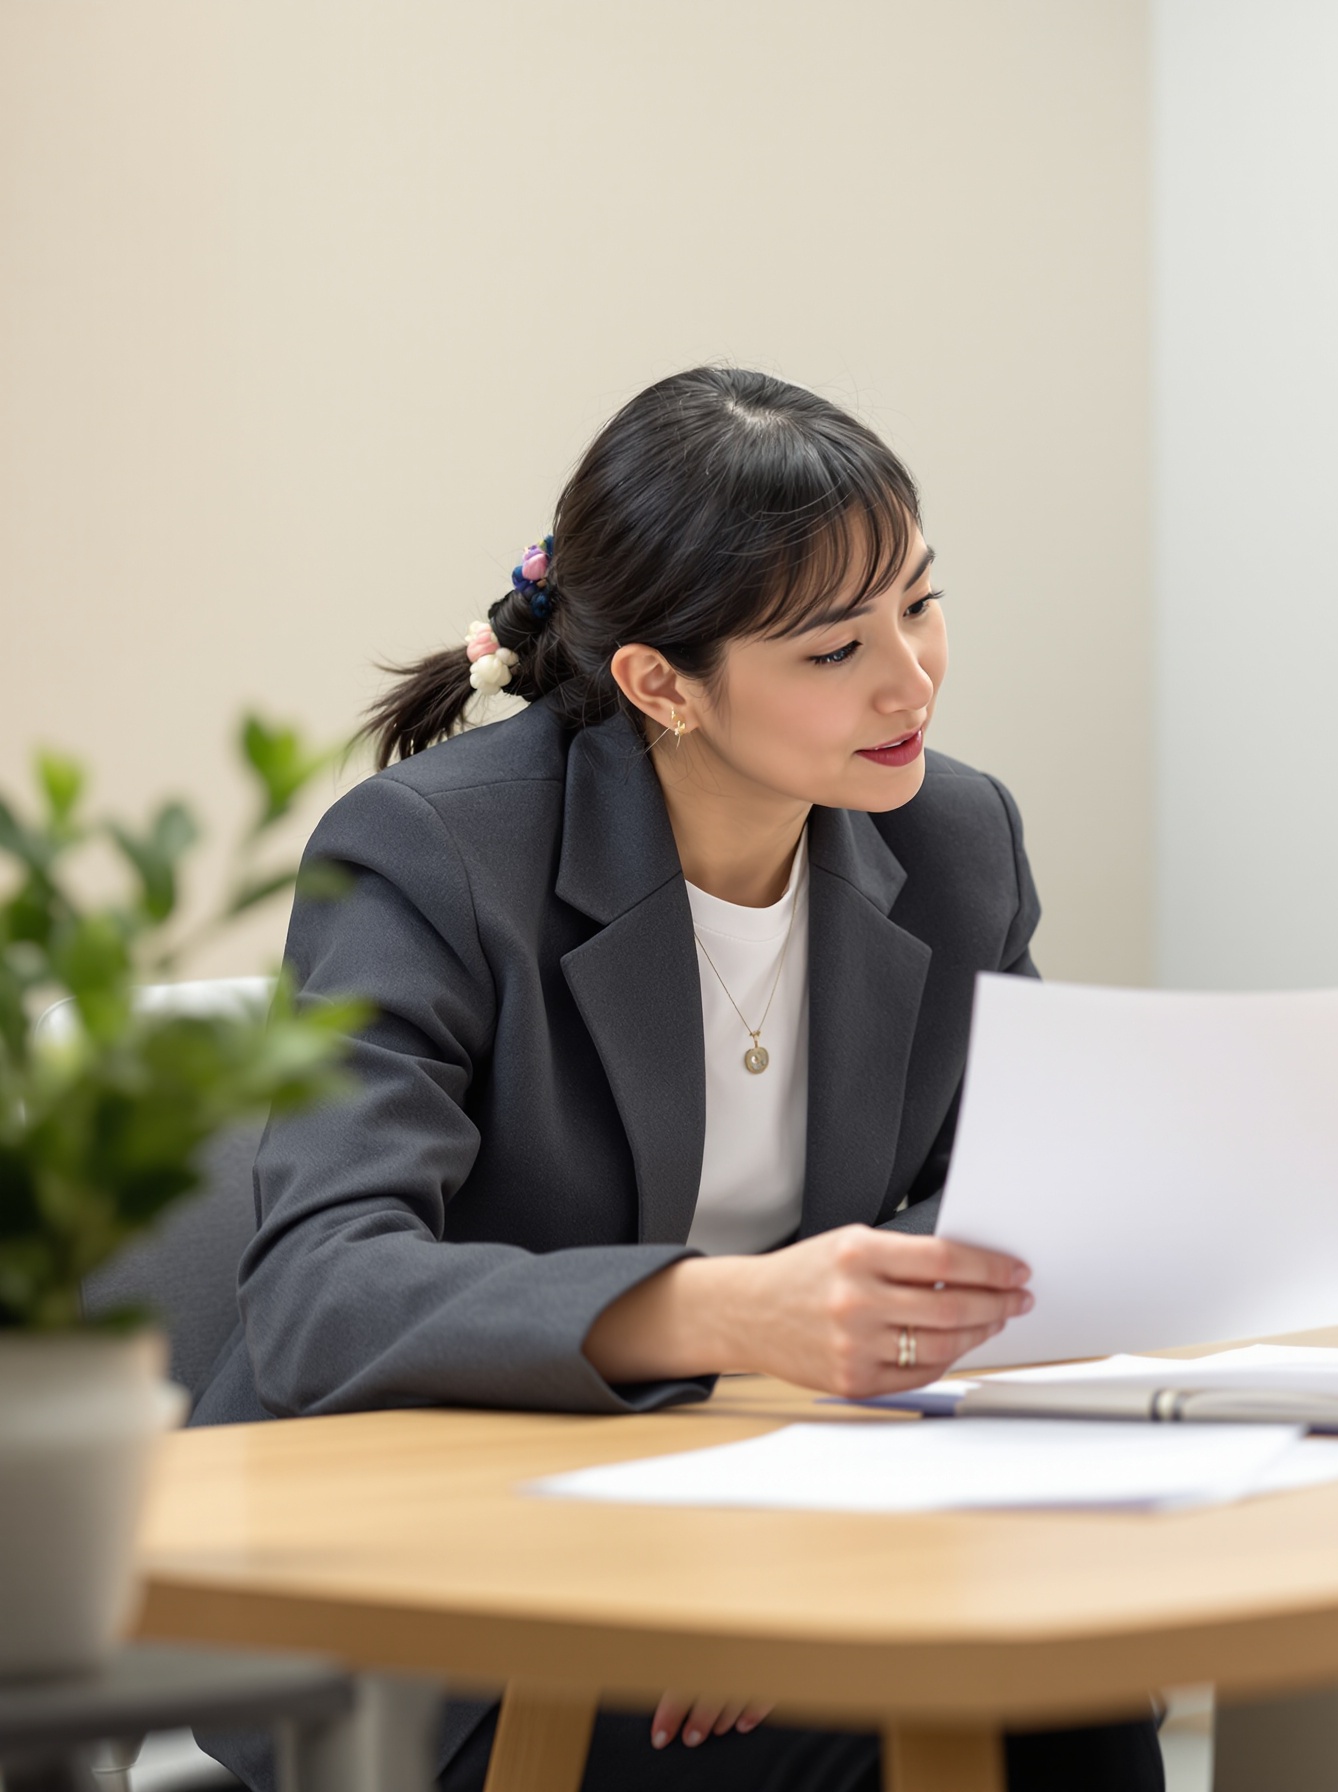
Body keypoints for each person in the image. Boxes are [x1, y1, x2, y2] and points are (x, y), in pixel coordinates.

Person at [192, 369, 1163, 1792]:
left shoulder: (954, 838)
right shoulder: (432, 854)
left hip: (761, 1506)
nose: (912, 679)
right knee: (924, 1723)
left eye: (921, 602)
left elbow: (994, 1194)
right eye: (834, 649)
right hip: (417, 1573)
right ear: (659, 682)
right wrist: (730, 1315)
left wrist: (797, 1540)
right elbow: (322, 1293)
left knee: (1069, 1691)